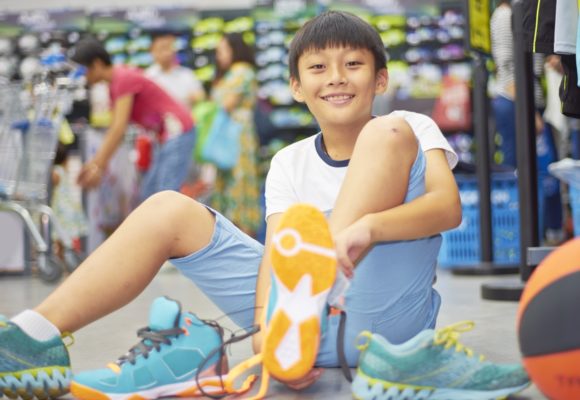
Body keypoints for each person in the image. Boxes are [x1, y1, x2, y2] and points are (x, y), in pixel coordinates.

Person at [0, 11, 529, 400]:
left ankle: (303, 306)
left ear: (381, 79)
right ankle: (35, 335)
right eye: (318, 67)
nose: (337, 77)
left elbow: (447, 209)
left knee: (384, 134)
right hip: (304, 331)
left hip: (382, 329)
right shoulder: (290, 162)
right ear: (297, 88)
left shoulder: (409, 127)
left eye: (354, 64)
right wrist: (271, 346)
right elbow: (277, 256)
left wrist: (367, 227)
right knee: (167, 207)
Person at [71, 38, 196, 202]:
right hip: (166, 136)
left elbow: (118, 128)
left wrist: (97, 166)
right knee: (151, 194)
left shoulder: (123, 79)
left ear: (97, 64)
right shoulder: (116, 83)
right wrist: (95, 164)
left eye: (84, 70)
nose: (83, 76)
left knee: (165, 196)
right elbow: (116, 128)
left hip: (177, 131)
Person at [209, 32, 262, 236]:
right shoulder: (232, 73)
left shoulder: (241, 71)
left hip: (237, 137)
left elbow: (225, 104)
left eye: (222, 50)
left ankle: (245, 242)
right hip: (230, 137)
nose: (219, 56)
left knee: (239, 186)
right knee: (233, 186)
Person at [145, 32, 205, 109]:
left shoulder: (187, 74)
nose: (165, 53)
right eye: (161, 48)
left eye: (168, 47)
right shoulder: (148, 76)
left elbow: (200, 96)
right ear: (152, 52)